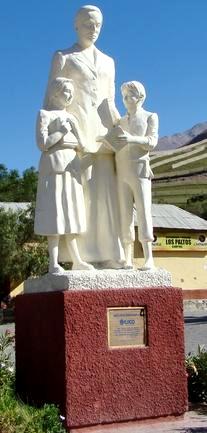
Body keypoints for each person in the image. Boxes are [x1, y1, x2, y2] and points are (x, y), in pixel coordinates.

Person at [43, 5, 125, 268]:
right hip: (73, 138)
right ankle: (78, 258)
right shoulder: (63, 57)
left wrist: (119, 128)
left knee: (105, 194)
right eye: (88, 24)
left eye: (98, 25)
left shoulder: (109, 61)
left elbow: (110, 101)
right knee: (78, 198)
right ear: (76, 25)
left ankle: (111, 253)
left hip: (103, 136)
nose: (94, 30)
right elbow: (50, 101)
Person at [34, 77, 94, 273]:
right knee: (55, 213)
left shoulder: (72, 117)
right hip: (54, 165)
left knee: (72, 212)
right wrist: (60, 132)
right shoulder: (44, 115)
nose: (69, 96)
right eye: (66, 91)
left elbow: (82, 146)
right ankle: (53, 263)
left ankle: (77, 259)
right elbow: (42, 144)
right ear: (56, 93)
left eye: (71, 92)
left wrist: (75, 132)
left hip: (72, 165)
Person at [106, 81, 159, 270]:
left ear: (141, 97)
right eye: (125, 97)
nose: (127, 100)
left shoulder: (150, 116)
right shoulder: (121, 121)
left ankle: (148, 257)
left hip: (140, 170)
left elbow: (152, 142)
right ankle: (127, 258)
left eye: (131, 96)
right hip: (122, 171)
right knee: (124, 214)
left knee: (144, 212)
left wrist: (131, 139)